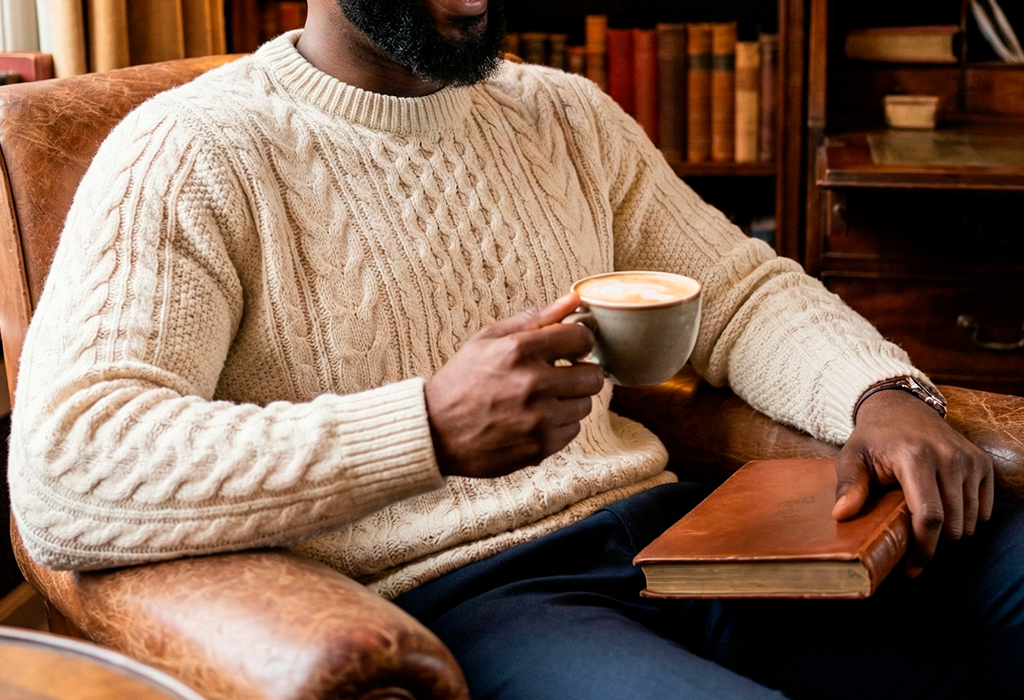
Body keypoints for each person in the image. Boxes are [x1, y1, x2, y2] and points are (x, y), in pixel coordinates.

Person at [7, 0, 1023, 697]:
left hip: (683, 548)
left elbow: (737, 286)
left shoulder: (564, 112)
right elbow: (68, 469)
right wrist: (426, 429)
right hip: (470, 600)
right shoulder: (191, 150)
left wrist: (881, 391)